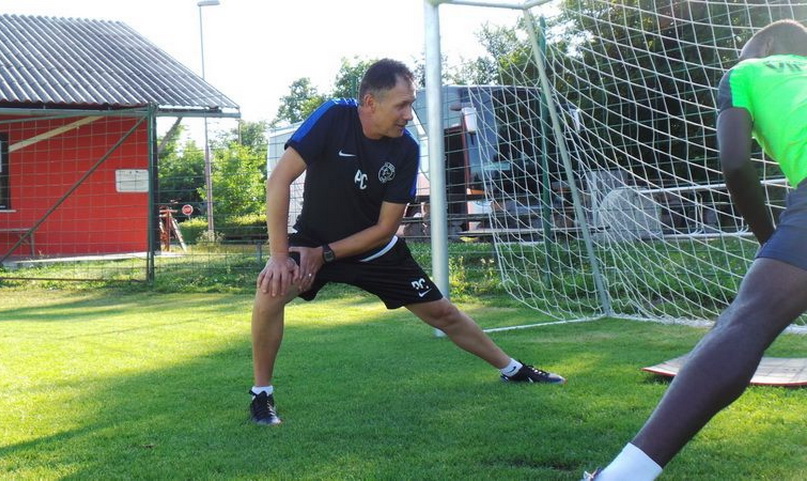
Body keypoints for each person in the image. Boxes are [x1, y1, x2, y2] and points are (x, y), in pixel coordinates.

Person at [249, 58, 565, 426]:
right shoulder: (334, 116)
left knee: (443, 314)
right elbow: (279, 180)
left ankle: (513, 369)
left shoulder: (406, 150)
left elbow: (385, 229)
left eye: (411, 103)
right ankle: (262, 395)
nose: (408, 114)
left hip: (373, 250)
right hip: (313, 241)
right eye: (402, 105)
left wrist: (326, 254)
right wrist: (279, 256)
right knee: (270, 290)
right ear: (371, 102)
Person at [581, 19, 807, 480]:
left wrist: (767, 238)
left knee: (745, 323)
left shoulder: (745, 73)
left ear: (765, 44)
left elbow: (736, 162)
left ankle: (623, 476)